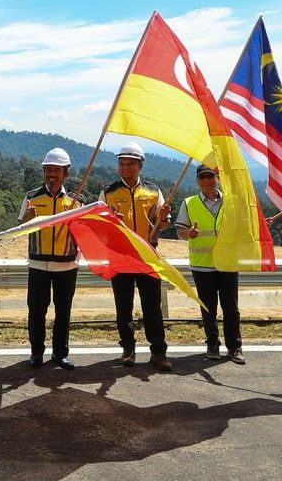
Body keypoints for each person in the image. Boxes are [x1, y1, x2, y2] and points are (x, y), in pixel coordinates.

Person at [102, 142, 173, 370]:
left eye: (131, 164)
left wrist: (163, 217)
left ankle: (158, 353)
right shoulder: (108, 192)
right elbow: (101, 228)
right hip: (121, 256)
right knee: (123, 307)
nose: (126, 168)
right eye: (122, 164)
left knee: (152, 306)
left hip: (147, 255)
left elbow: (163, 226)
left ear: (141, 165)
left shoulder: (153, 191)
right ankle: (128, 349)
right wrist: (111, 220)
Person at [176, 165, 245, 364]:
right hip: (202, 266)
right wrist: (189, 234)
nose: (207, 180)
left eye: (210, 176)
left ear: (218, 178)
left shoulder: (231, 202)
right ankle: (212, 345)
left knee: (231, 308)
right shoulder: (189, 203)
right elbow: (180, 231)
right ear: (198, 181)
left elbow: (242, 226)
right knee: (208, 309)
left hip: (228, 264)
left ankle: (235, 347)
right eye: (202, 177)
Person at [20, 148, 79, 370]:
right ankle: (36, 352)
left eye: (57, 170)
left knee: (63, 311)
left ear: (66, 173)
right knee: (36, 310)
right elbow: (19, 229)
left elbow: (85, 232)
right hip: (37, 264)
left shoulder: (77, 200)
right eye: (48, 170)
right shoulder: (31, 197)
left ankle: (60, 354)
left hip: (67, 265)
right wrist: (25, 220)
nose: (52, 174)